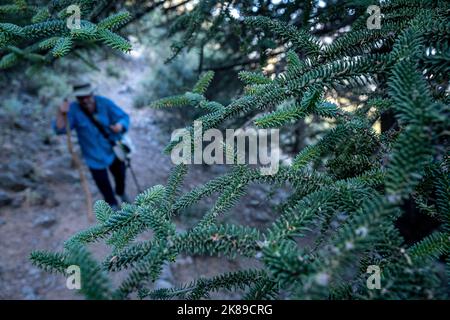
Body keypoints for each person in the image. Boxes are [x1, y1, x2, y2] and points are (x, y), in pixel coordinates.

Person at [53, 81, 130, 208]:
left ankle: (121, 193)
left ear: (92, 93)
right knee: (102, 183)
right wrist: (61, 113)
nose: (84, 100)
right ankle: (112, 205)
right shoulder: (73, 110)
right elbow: (60, 129)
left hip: (113, 150)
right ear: (76, 97)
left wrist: (120, 126)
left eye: (87, 96)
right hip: (93, 156)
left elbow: (124, 117)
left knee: (120, 175)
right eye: (80, 97)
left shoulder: (105, 103)